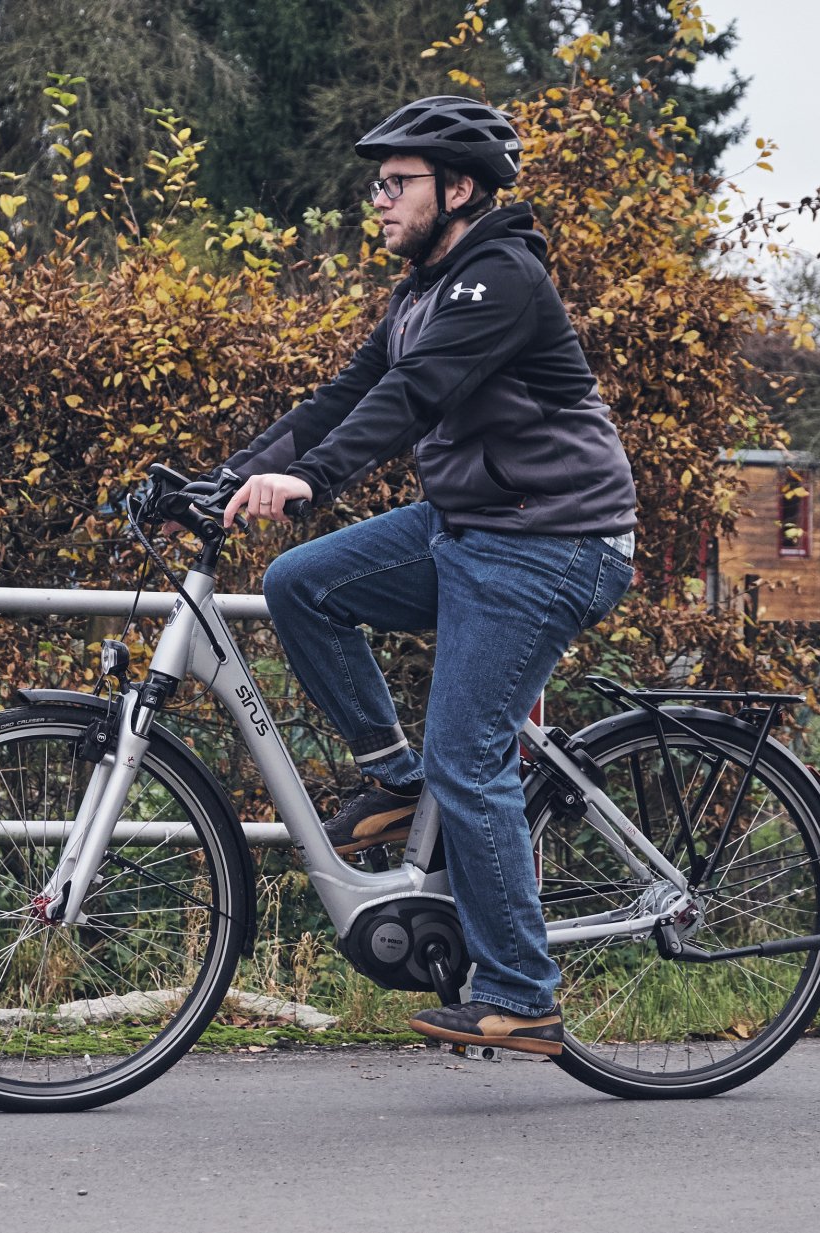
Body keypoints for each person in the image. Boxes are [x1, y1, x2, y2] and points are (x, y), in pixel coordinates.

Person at [218, 96, 637, 1056]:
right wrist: (226, 477)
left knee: (470, 750)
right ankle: (395, 779)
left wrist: (309, 480)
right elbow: (345, 398)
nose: (378, 199)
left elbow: (413, 398)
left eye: (395, 182)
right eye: (377, 183)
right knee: (302, 583)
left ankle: (524, 991)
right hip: (474, 526)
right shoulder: (421, 289)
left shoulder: (500, 277)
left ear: (458, 188)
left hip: (553, 540)